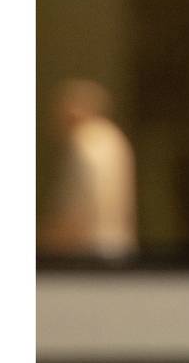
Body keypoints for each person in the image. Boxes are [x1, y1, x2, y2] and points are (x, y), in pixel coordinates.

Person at [44, 78, 138, 263]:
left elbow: (75, 210)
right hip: (119, 247)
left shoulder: (84, 142)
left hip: (87, 251)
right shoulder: (114, 138)